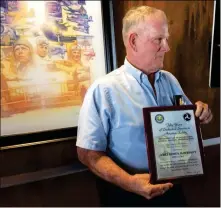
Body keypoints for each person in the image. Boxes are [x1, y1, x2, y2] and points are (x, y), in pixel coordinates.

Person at [76, 6, 213, 207]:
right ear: (133, 41)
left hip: (172, 190)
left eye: (166, 39)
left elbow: (186, 120)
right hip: (127, 195)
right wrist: (129, 182)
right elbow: (88, 154)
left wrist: (200, 113)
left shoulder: (170, 80)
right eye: (159, 39)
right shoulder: (104, 90)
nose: (167, 47)